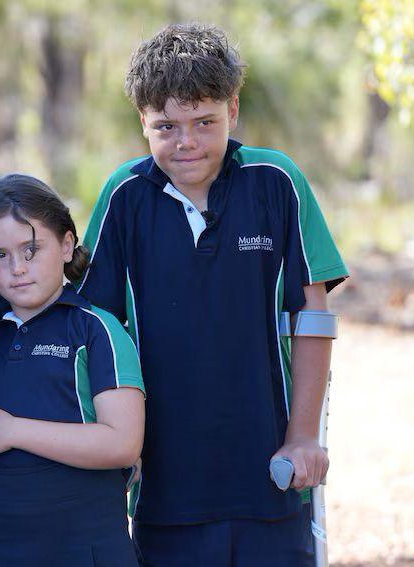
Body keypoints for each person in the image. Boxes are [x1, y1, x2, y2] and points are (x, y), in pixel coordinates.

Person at [77, 24, 350, 566]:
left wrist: (301, 438)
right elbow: (94, 332)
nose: (187, 142)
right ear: (143, 123)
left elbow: (312, 315)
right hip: (165, 486)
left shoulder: (276, 180)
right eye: (166, 127)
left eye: (206, 122)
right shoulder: (123, 197)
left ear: (234, 108)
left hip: (271, 474)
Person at [0, 174, 145, 567]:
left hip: (85, 551)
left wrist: (13, 431)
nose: (17, 268)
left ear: (66, 244)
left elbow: (123, 443)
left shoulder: (96, 329)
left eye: (31, 249)